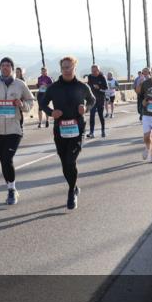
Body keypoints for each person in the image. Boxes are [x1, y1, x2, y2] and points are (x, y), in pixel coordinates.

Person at [40, 56, 94, 209]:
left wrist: (86, 108)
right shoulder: (54, 87)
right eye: (64, 67)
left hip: (77, 128)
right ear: (61, 69)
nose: (66, 70)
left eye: (69, 67)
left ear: (74, 68)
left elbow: (92, 100)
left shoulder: (82, 87)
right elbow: (43, 103)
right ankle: (74, 186)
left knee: (70, 160)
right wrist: (51, 112)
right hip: (60, 129)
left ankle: (71, 192)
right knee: (65, 163)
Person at [0, 56, 35, 205]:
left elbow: (30, 101)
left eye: (8, 65)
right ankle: (11, 187)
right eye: (3, 65)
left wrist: (22, 104)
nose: (5, 67)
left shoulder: (20, 84)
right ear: (0, 68)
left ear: (12, 68)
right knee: (3, 161)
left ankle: (11, 190)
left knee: (7, 158)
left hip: (15, 128)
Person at [85, 64, 108, 138]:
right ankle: (91, 132)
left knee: (101, 115)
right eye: (92, 71)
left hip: (100, 99)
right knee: (92, 115)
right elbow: (88, 86)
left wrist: (99, 88)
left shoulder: (102, 77)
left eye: (95, 71)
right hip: (92, 100)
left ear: (98, 70)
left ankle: (103, 131)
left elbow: (106, 88)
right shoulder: (90, 76)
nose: (93, 73)